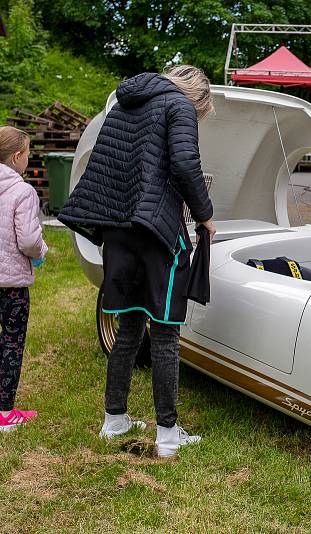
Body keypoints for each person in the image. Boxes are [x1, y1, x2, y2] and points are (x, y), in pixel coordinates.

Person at [58, 65, 216, 457]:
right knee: (164, 333)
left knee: (129, 326)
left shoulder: (125, 102)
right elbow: (184, 164)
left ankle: (114, 421)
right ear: (197, 98)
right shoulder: (178, 104)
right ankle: (167, 435)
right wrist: (205, 215)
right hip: (155, 233)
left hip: (117, 229)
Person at [0, 126, 48, 432]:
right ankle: (4, 412)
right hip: (12, 285)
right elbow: (29, 240)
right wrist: (42, 250)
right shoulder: (23, 191)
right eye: (28, 152)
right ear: (18, 156)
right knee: (11, 342)